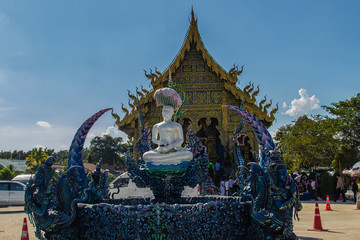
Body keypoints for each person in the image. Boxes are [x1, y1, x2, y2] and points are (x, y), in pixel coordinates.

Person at [143, 88, 193, 165]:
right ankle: (168, 160)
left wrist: (170, 147)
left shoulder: (177, 125)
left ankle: (164, 160)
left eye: (167, 110)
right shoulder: (157, 126)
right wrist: (160, 142)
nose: (165, 112)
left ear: (172, 113)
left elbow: (180, 140)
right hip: (160, 150)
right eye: (163, 110)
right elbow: (154, 139)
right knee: (146, 156)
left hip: (174, 150)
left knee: (189, 155)